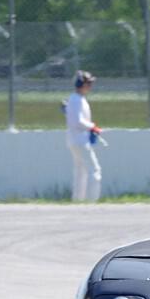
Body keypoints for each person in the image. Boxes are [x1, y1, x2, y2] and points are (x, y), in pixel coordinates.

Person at [65, 70, 102, 202]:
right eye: (88, 84)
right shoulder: (77, 100)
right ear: (83, 84)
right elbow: (78, 121)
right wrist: (92, 126)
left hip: (74, 139)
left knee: (80, 171)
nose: (90, 87)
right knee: (94, 170)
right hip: (80, 140)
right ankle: (93, 200)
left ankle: (78, 199)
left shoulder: (75, 99)